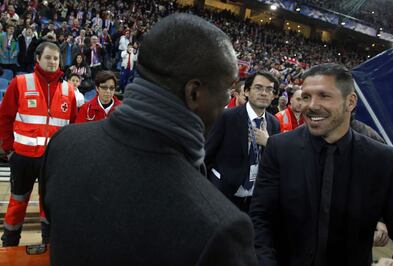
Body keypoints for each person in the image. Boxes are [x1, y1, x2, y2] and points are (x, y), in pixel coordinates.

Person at [40, 13, 257, 265]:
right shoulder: (222, 228)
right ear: (194, 92)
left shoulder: (63, 143)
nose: (228, 100)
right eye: (227, 89)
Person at [249, 63, 393, 266]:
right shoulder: (279, 148)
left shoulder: (383, 159)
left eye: (324, 96)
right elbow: (260, 219)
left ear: (350, 102)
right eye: (307, 96)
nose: (311, 105)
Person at [0, 41, 77, 247]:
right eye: (48, 57)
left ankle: (48, 244)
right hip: (22, 157)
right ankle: (9, 243)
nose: (52, 62)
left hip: (52, 161)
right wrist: (9, 149)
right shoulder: (20, 83)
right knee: (17, 203)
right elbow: (5, 117)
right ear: (38, 59)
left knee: (49, 205)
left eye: (55, 58)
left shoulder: (69, 90)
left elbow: (72, 126)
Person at [205, 71, 280, 213]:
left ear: (274, 96)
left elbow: (275, 162)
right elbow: (207, 153)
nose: (264, 93)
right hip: (222, 191)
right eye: (258, 88)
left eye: (269, 89)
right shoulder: (227, 117)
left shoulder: (274, 123)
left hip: (254, 197)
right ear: (246, 91)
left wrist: (269, 143)